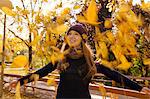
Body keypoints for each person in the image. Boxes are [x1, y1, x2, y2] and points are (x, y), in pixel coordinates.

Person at [10, 24, 150, 98]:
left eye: (75, 34)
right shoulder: (61, 58)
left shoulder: (90, 61)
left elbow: (114, 75)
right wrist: (19, 82)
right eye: (69, 34)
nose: (71, 37)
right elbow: (41, 72)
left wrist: (139, 88)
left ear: (82, 38)